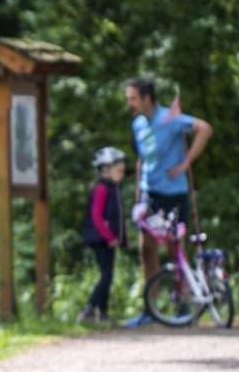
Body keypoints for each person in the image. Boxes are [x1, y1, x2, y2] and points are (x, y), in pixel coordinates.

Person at [122, 78, 214, 327]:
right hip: (150, 195)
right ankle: (150, 309)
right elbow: (142, 159)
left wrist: (185, 163)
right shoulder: (138, 124)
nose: (129, 103)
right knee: (147, 248)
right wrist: (139, 195)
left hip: (173, 195)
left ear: (146, 98)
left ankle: (184, 305)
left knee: (176, 249)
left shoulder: (170, 118)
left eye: (132, 98)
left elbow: (204, 129)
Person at [79, 147, 128, 323]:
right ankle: (89, 309)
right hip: (101, 239)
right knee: (106, 275)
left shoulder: (112, 188)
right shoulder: (102, 188)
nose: (122, 174)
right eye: (119, 171)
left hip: (107, 239)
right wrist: (110, 237)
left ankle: (103, 312)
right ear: (106, 169)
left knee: (108, 274)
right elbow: (97, 216)